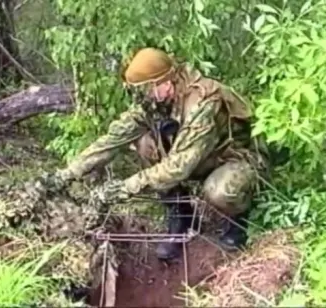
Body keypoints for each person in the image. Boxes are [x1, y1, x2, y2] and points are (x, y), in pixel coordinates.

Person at [30, 47, 270, 260]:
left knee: (219, 191)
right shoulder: (156, 102)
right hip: (200, 157)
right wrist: (66, 174)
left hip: (235, 159)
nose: (143, 95)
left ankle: (237, 225)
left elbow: (179, 166)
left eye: (147, 88)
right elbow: (112, 141)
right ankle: (182, 216)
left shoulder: (202, 102)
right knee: (146, 143)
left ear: (165, 83)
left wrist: (127, 187)